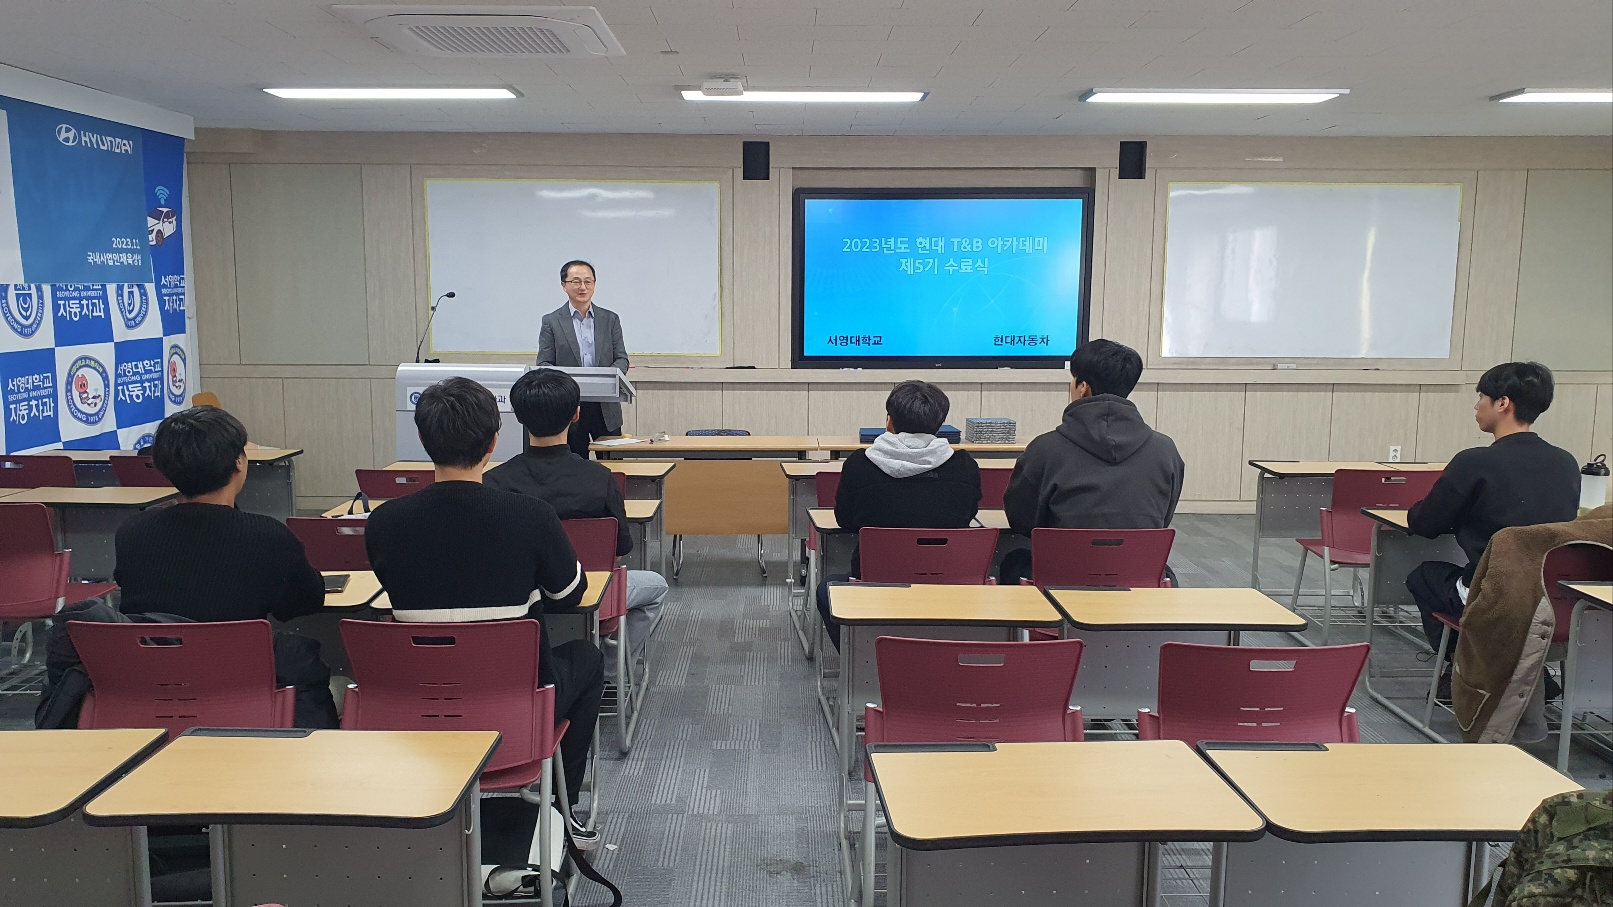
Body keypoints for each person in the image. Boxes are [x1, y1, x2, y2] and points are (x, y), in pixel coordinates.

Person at [364, 377, 604, 893]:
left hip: (415, 711)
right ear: (495, 439)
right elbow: (570, 595)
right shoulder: (530, 516)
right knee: (586, 658)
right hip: (516, 713)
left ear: (423, 440)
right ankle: (560, 807)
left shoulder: (384, 523)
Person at [114, 405, 337, 729]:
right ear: (239, 463)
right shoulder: (267, 535)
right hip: (241, 684)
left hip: (151, 684)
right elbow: (305, 602)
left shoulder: (133, 531)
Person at [1406, 361, 1581, 692]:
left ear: (1503, 403)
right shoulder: (1566, 462)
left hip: (1494, 592)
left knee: (1424, 577)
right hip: (1552, 596)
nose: (1477, 406)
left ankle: (1466, 671)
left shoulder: (1474, 462)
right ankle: (1526, 671)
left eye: (1481, 397)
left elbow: (1425, 523)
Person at [487, 367, 668, 674]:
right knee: (657, 586)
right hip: (588, 597)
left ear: (518, 417)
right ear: (576, 415)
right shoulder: (600, 478)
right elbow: (619, 550)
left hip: (518, 602)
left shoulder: (494, 482)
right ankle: (607, 670)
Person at [999, 338, 1185, 585]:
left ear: (1083, 387)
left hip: (1060, 578)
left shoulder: (1044, 449)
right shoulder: (1165, 450)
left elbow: (1022, 521)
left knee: (1011, 559)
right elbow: (1162, 517)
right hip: (1137, 579)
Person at [815, 380, 982, 648]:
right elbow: (968, 515)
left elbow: (844, 520)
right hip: (949, 585)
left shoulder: (859, 464)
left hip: (876, 585)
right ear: (939, 425)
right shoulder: (964, 466)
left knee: (827, 590)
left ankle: (865, 658)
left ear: (889, 422)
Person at [537, 260, 629, 458]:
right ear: (564, 285)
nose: (583, 287)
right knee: (574, 465)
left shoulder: (610, 319)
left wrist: (606, 379)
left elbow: (622, 359)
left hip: (605, 406)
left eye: (588, 281)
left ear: (594, 284)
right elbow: (544, 364)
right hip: (570, 406)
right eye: (576, 281)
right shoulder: (551, 321)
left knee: (613, 464)